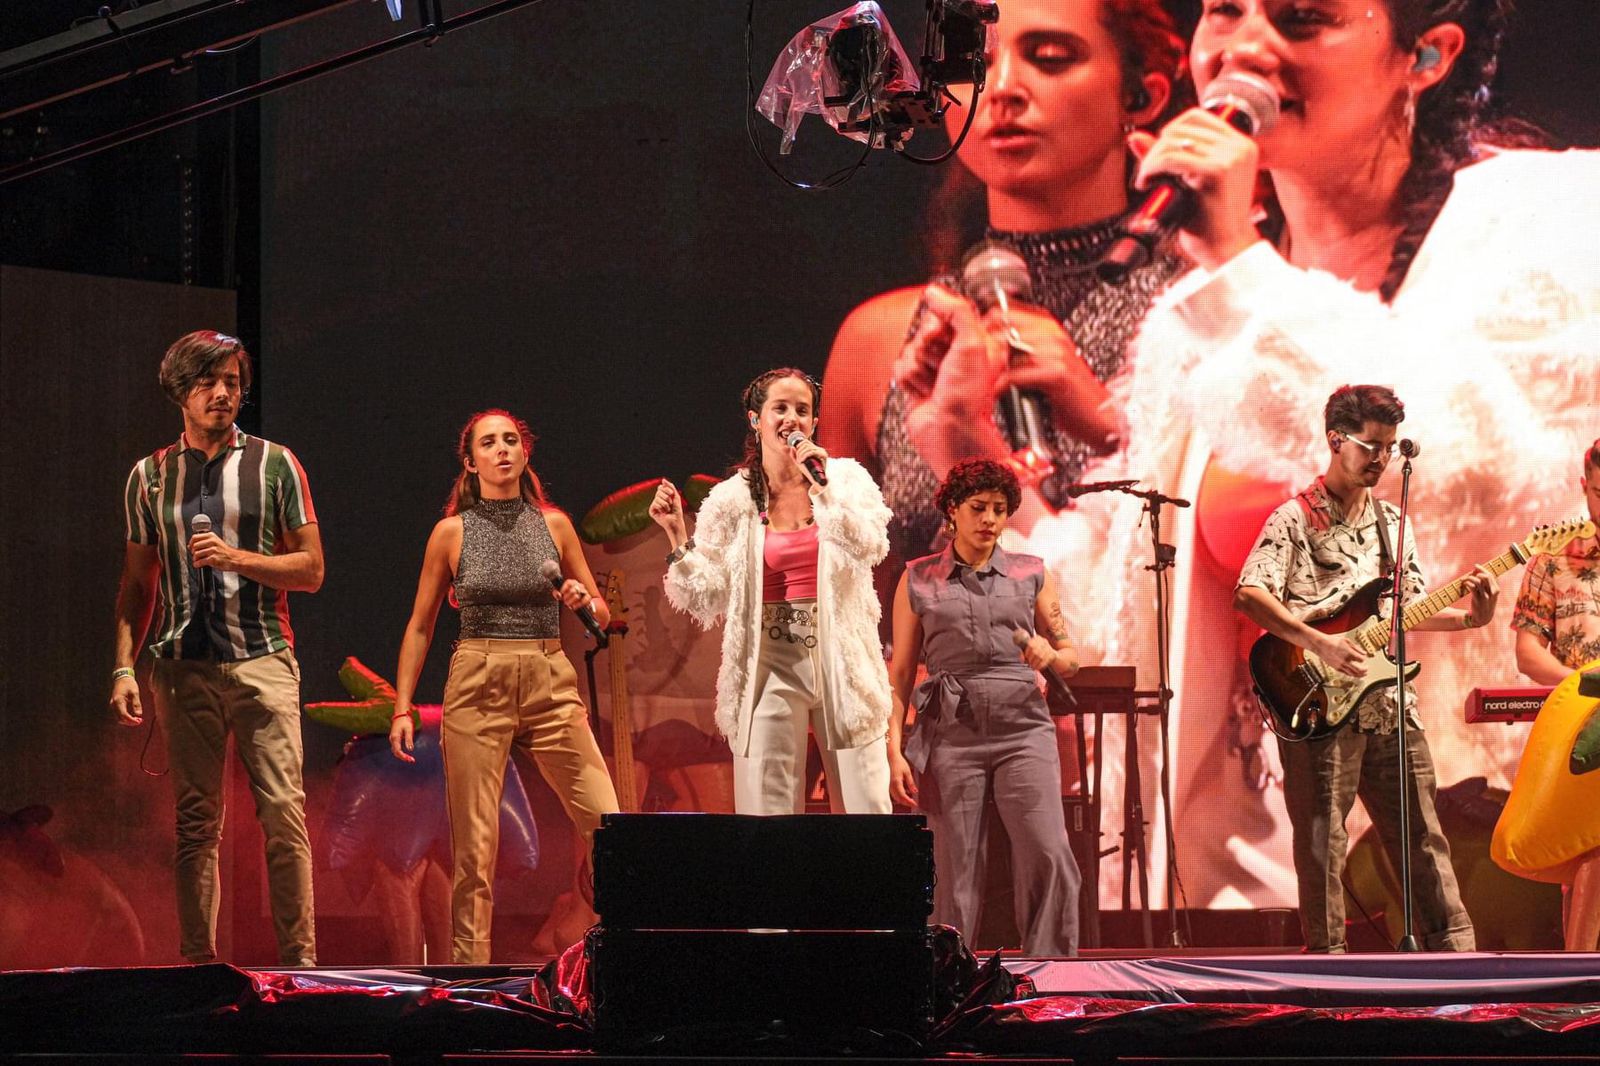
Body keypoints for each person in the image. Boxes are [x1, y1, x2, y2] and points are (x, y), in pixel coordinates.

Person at [1057, 0, 1600, 912]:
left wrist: (1239, 268)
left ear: (1425, 56)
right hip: (1242, 892)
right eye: (1225, 10)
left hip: (1468, 856)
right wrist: (977, 477)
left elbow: (1466, 477)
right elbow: (1138, 607)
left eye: (1303, 18)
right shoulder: (1202, 314)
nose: (1246, 46)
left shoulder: (1555, 219)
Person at [820, 0, 1189, 561]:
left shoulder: (1202, 310)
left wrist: (1106, 420)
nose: (1002, 89)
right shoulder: (877, 340)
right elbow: (847, 595)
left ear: (1141, 96)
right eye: (971, 66)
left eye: (1050, 58)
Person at [1233, 385, 1498, 953]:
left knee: (1423, 836)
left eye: (1389, 448)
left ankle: (1455, 961)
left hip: (1390, 705)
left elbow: (1410, 610)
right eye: (1370, 446)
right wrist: (1319, 643)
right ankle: (1328, 968)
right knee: (1322, 844)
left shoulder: (1392, 523)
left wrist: (1471, 619)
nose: (1381, 459)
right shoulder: (1294, 518)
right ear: (1336, 440)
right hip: (1318, 702)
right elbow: (1250, 594)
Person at [110, 330, 324, 966]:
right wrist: (124, 666)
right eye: (208, 382)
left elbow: (311, 569)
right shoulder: (150, 476)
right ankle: (198, 968)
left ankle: (300, 968)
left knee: (283, 815)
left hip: (263, 660)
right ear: (181, 390)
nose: (223, 393)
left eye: (232, 382)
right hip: (183, 667)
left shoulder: (276, 464)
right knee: (196, 824)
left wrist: (237, 559)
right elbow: (137, 583)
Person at [388, 408, 618, 965]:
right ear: (470, 463)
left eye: (510, 440)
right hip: (478, 676)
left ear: (525, 452)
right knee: (475, 846)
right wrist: (401, 706)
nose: (502, 449)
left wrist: (584, 602)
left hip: (548, 675)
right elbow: (420, 625)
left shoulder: (554, 525)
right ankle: (472, 977)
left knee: (607, 822)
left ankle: (618, 953)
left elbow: (602, 612)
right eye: (488, 443)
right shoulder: (451, 533)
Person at [650, 368, 893, 814]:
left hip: (842, 656)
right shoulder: (732, 499)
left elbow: (871, 546)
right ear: (755, 419)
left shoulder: (845, 480)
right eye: (780, 408)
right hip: (770, 660)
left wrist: (824, 490)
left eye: (802, 410)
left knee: (867, 808)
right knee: (768, 812)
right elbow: (708, 597)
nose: (791, 418)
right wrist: (677, 538)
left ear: (814, 423)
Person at [888, 459, 1082, 954]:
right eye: (978, 508)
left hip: (1023, 729)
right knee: (954, 869)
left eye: (999, 509)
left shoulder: (1031, 572)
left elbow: (1072, 657)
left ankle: (1052, 971)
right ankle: (947, 974)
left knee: (1049, 851)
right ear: (953, 510)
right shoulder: (918, 579)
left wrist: (1050, 654)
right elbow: (901, 674)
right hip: (950, 732)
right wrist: (894, 750)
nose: (990, 519)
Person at [1510, 437, 1600, 950]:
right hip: (1581, 726)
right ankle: (1580, 975)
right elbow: (1529, 655)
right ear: (1584, 487)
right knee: (1589, 849)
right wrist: (1580, 685)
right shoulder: (1551, 561)